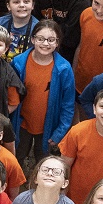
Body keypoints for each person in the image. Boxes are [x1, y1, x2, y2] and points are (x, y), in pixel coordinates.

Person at [11, 20, 75, 165]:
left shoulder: (64, 68)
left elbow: (68, 105)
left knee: (43, 159)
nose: (45, 43)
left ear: (57, 43)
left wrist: (60, 132)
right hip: (21, 123)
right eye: (40, 39)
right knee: (17, 155)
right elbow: (10, 96)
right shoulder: (18, 63)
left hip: (48, 126)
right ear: (33, 39)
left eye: (51, 40)